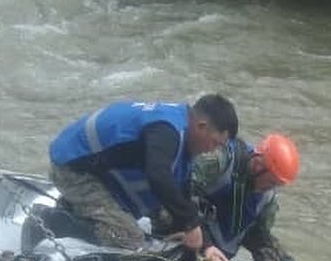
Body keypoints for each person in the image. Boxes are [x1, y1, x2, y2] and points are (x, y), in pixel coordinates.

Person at [48, 95, 238, 252]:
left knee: (169, 218)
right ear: (201, 126)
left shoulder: (184, 133)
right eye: (215, 143)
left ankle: (79, 210)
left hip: (97, 168)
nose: (211, 150)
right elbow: (158, 175)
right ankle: (60, 223)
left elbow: (182, 195)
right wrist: (190, 223)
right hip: (72, 168)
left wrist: (207, 244)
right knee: (131, 239)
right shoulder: (168, 131)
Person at [190, 131, 331, 261]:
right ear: (258, 164)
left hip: (220, 240)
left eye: (278, 185)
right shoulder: (220, 160)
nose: (272, 189)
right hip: (190, 225)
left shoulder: (268, 198)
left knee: (273, 249)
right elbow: (181, 193)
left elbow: (260, 239)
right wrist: (207, 245)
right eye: (272, 182)